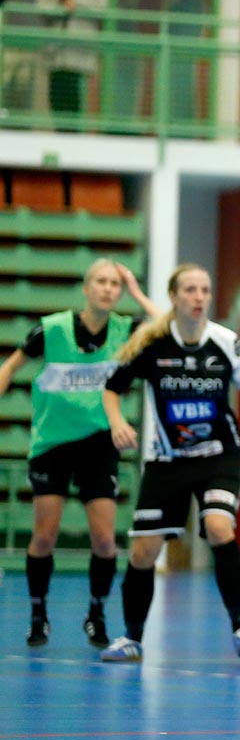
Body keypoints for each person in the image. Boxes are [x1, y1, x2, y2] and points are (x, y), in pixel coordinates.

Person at [97, 264, 240, 662]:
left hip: (218, 457)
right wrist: (116, 423)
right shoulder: (153, 345)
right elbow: (112, 390)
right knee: (143, 551)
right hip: (167, 462)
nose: (199, 297)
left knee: (218, 526)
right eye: (191, 290)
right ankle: (132, 638)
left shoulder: (225, 341)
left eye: (205, 290)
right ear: (174, 297)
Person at [0, 260, 157, 648]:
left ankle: (96, 613)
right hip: (52, 443)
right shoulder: (50, 330)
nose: (107, 289)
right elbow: (10, 367)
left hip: (99, 443)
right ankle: (38, 615)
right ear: (86, 289)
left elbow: (168, 323)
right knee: (45, 536)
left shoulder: (126, 330)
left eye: (113, 284)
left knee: (105, 541)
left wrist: (138, 293)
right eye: (99, 282)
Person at [33, 0, 108, 121]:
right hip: (57, 52)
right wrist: (60, 6)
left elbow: (101, 7)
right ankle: (59, 130)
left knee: (76, 95)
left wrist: (77, 4)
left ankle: (74, 133)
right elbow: (41, 6)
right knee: (57, 95)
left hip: (79, 51)